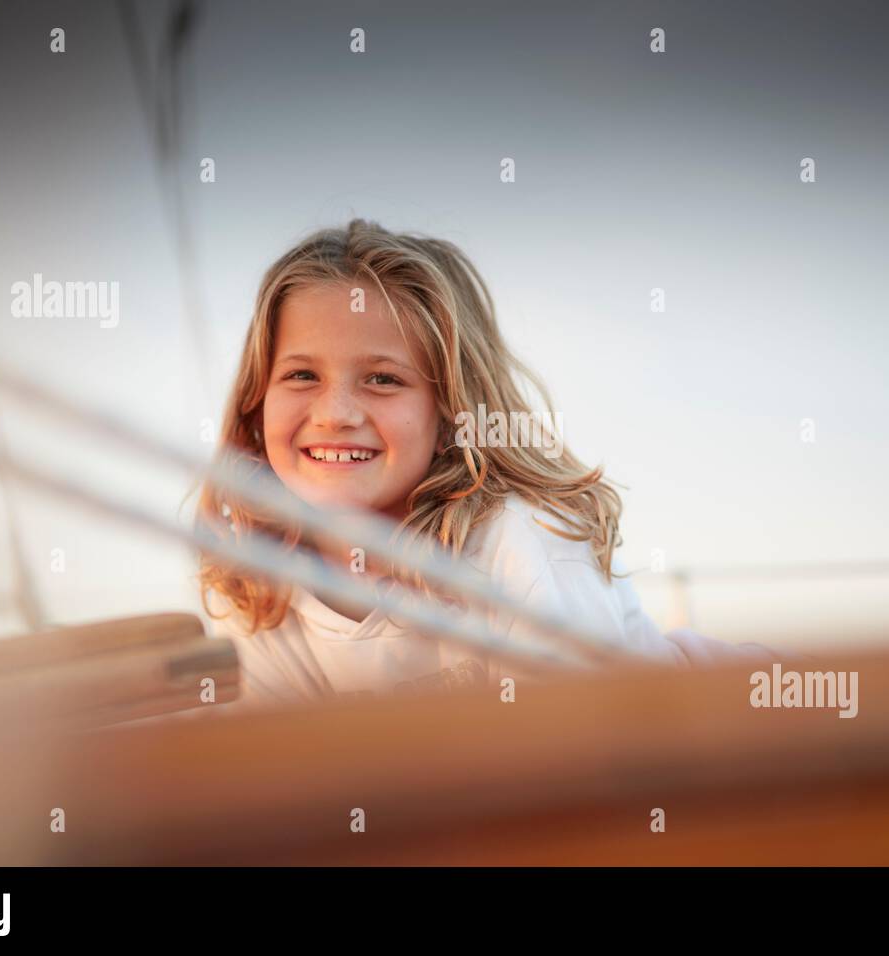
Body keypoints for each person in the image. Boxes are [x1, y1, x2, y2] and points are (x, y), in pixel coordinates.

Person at [193, 219, 767, 708]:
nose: (336, 413)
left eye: (383, 379)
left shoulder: (519, 536)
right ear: (257, 401)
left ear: (451, 411)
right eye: (301, 375)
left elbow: (585, 755)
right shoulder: (254, 584)